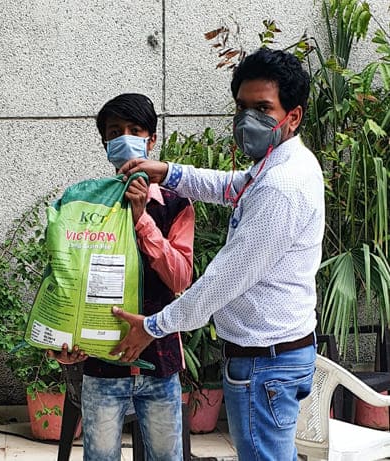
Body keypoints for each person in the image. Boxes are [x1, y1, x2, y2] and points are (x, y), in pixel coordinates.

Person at [112, 48, 323, 461]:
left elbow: (221, 282)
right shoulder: (279, 163)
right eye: (242, 107)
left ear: (292, 116)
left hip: (265, 364)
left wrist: (154, 326)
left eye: (264, 108)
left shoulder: (282, 187)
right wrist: (169, 172)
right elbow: (231, 187)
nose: (248, 120)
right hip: (274, 356)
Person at [48, 93, 195, 460]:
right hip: (102, 362)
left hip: (160, 361)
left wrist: (142, 218)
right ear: (106, 144)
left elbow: (180, 279)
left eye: (135, 130)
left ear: (152, 140)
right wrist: (64, 341)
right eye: (116, 132)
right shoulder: (86, 207)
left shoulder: (176, 204)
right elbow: (69, 280)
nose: (126, 137)